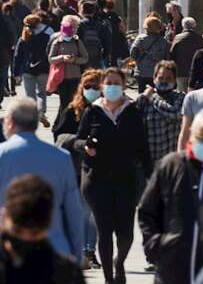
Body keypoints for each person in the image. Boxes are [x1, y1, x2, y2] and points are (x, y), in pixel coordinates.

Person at [139, 108, 203, 284]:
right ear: (192, 135)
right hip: (172, 271)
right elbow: (147, 211)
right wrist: (157, 245)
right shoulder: (171, 166)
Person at [0, 99, 85, 258]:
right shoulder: (61, 158)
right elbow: (74, 212)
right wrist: (76, 255)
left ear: (9, 123)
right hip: (54, 251)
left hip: (4, 252)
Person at [72, 67, 150, 283]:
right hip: (97, 179)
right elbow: (78, 140)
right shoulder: (93, 111)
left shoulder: (132, 111)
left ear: (124, 86)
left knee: (125, 232)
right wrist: (86, 146)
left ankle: (119, 262)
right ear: (102, 87)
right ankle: (109, 277)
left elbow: (143, 146)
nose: (112, 87)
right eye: (108, 83)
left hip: (126, 178)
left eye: (117, 83)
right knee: (104, 230)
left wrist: (152, 176)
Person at [0, 174, 86, 284]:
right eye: (17, 231)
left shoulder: (66, 273)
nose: (25, 239)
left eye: (34, 233)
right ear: (3, 215)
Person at [52, 69, 103, 269]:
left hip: (98, 168)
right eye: (87, 87)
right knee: (82, 210)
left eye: (95, 87)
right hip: (75, 167)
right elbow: (58, 134)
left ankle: (89, 250)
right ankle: (82, 250)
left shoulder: (107, 110)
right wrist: (79, 142)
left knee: (93, 212)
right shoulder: (72, 109)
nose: (91, 90)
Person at [136, 61, 186, 165]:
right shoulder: (145, 98)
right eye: (161, 78)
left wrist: (153, 96)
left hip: (171, 161)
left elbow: (174, 113)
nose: (164, 81)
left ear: (174, 80)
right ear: (154, 79)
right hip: (149, 161)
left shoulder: (180, 97)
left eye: (168, 79)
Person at [12, 15, 52, 127]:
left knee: (30, 95)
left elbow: (17, 56)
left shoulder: (23, 38)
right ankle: (41, 112)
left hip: (27, 70)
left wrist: (16, 73)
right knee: (42, 94)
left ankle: (34, 115)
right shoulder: (45, 37)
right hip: (43, 68)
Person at [46, 15, 90, 116]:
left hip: (75, 77)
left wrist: (74, 60)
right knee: (64, 103)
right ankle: (60, 123)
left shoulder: (77, 42)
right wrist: (62, 58)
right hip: (62, 78)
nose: (72, 29)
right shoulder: (57, 42)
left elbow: (85, 58)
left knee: (74, 102)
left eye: (74, 27)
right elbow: (50, 59)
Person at [128, 15, 171, 91]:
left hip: (141, 72)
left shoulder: (140, 39)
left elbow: (132, 54)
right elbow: (167, 58)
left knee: (142, 94)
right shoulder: (163, 41)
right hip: (157, 73)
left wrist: (138, 60)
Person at [169, 17, 203, 91]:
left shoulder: (178, 38)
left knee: (182, 94)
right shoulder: (199, 38)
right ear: (194, 26)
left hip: (181, 71)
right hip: (196, 71)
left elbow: (172, 54)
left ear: (183, 26)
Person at [76, 1, 110, 71]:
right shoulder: (101, 25)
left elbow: (75, 41)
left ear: (82, 11)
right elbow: (108, 44)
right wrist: (103, 56)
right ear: (94, 11)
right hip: (97, 57)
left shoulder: (80, 25)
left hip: (82, 58)